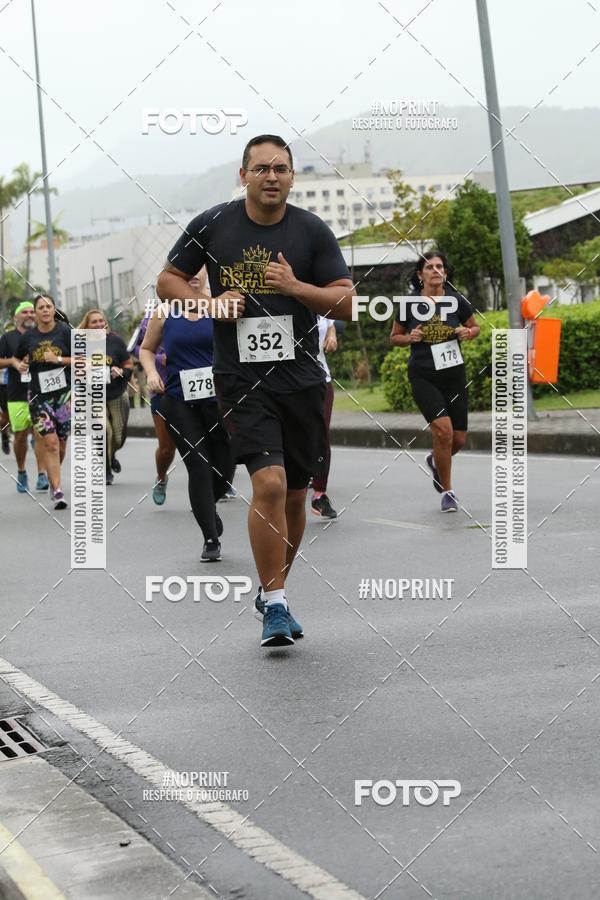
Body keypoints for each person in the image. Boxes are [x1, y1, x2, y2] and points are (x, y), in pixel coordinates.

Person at [157, 133, 355, 647]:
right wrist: (210, 303)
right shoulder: (213, 224)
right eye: (262, 167)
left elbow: (344, 304)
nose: (272, 176)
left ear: (292, 177)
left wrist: (294, 288)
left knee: (293, 494)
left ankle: (275, 592)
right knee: (267, 483)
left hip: (302, 381)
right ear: (242, 174)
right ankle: (277, 602)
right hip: (241, 380)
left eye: (282, 168)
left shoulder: (312, 231)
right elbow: (168, 281)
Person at [139, 299, 234, 562]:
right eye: (184, 271)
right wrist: (151, 373)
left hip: (219, 401)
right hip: (179, 401)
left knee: (225, 466)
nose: (191, 275)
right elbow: (146, 349)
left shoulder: (219, 305)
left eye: (197, 269)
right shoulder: (164, 312)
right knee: (198, 465)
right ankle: (210, 538)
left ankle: (207, 505)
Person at [390, 251, 479, 512]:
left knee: (459, 439)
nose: (436, 271)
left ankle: (435, 460)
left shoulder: (457, 300)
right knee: (443, 432)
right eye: (430, 267)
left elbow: (475, 327)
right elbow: (394, 337)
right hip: (423, 375)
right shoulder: (409, 304)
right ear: (421, 275)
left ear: (446, 273)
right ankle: (448, 492)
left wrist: (467, 332)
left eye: (440, 267)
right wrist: (411, 337)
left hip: (453, 374)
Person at [14, 294, 72, 510]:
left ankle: (52, 475)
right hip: (38, 396)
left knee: (62, 443)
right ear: (36, 312)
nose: (45, 310)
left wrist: (57, 359)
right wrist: (21, 365)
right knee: (50, 442)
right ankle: (57, 490)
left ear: (54, 309)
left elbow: (84, 358)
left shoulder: (65, 332)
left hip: (64, 395)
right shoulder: (28, 337)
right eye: (41, 307)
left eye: (49, 306)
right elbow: (19, 358)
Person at [78, 309, 133, 484]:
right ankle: (106, 469)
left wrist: (121, 371)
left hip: (116, 392)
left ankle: (112, 454)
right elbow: (72, 368)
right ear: (86, 326)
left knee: (118, 435)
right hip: (92, 395)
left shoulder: (115, 341)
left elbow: (128, 364)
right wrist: (81, 370)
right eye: (94, 322)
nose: (98, 325)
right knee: (103, 430)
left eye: (101, 321)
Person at [0, 301, 48, 492]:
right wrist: (12, 361)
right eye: (24, 312)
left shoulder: (41, 335)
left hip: (40, 391)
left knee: (41, 434)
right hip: (16, 393)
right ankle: (21, 472)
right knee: (20, 436)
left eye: (31, 311)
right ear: (17, 317)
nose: (29, 315)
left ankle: (42, 474)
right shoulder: (8, 338)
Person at [310, 316, 338, 519]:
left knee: (321, 436)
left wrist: (331, 336)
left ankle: (319, 494)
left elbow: (330, 324)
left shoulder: (317, 297)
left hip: (320, 379)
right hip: (285, 381)